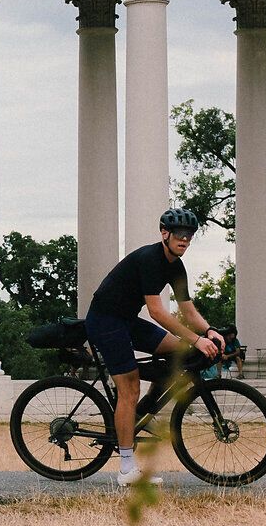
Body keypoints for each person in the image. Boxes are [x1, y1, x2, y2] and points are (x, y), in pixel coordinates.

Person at [85, 207, 225, 485]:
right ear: (165, 234)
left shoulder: (176, 265)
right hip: (105, 321)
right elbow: (157, 312)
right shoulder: (151, 259)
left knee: (181, 352)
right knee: (130, 387)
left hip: (126, 320)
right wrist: (197, 339)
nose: (185, 240)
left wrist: (209, 331)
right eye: (180, 234)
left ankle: (142, 412)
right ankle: (126, 469)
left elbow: (187, 308)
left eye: (190, 235)